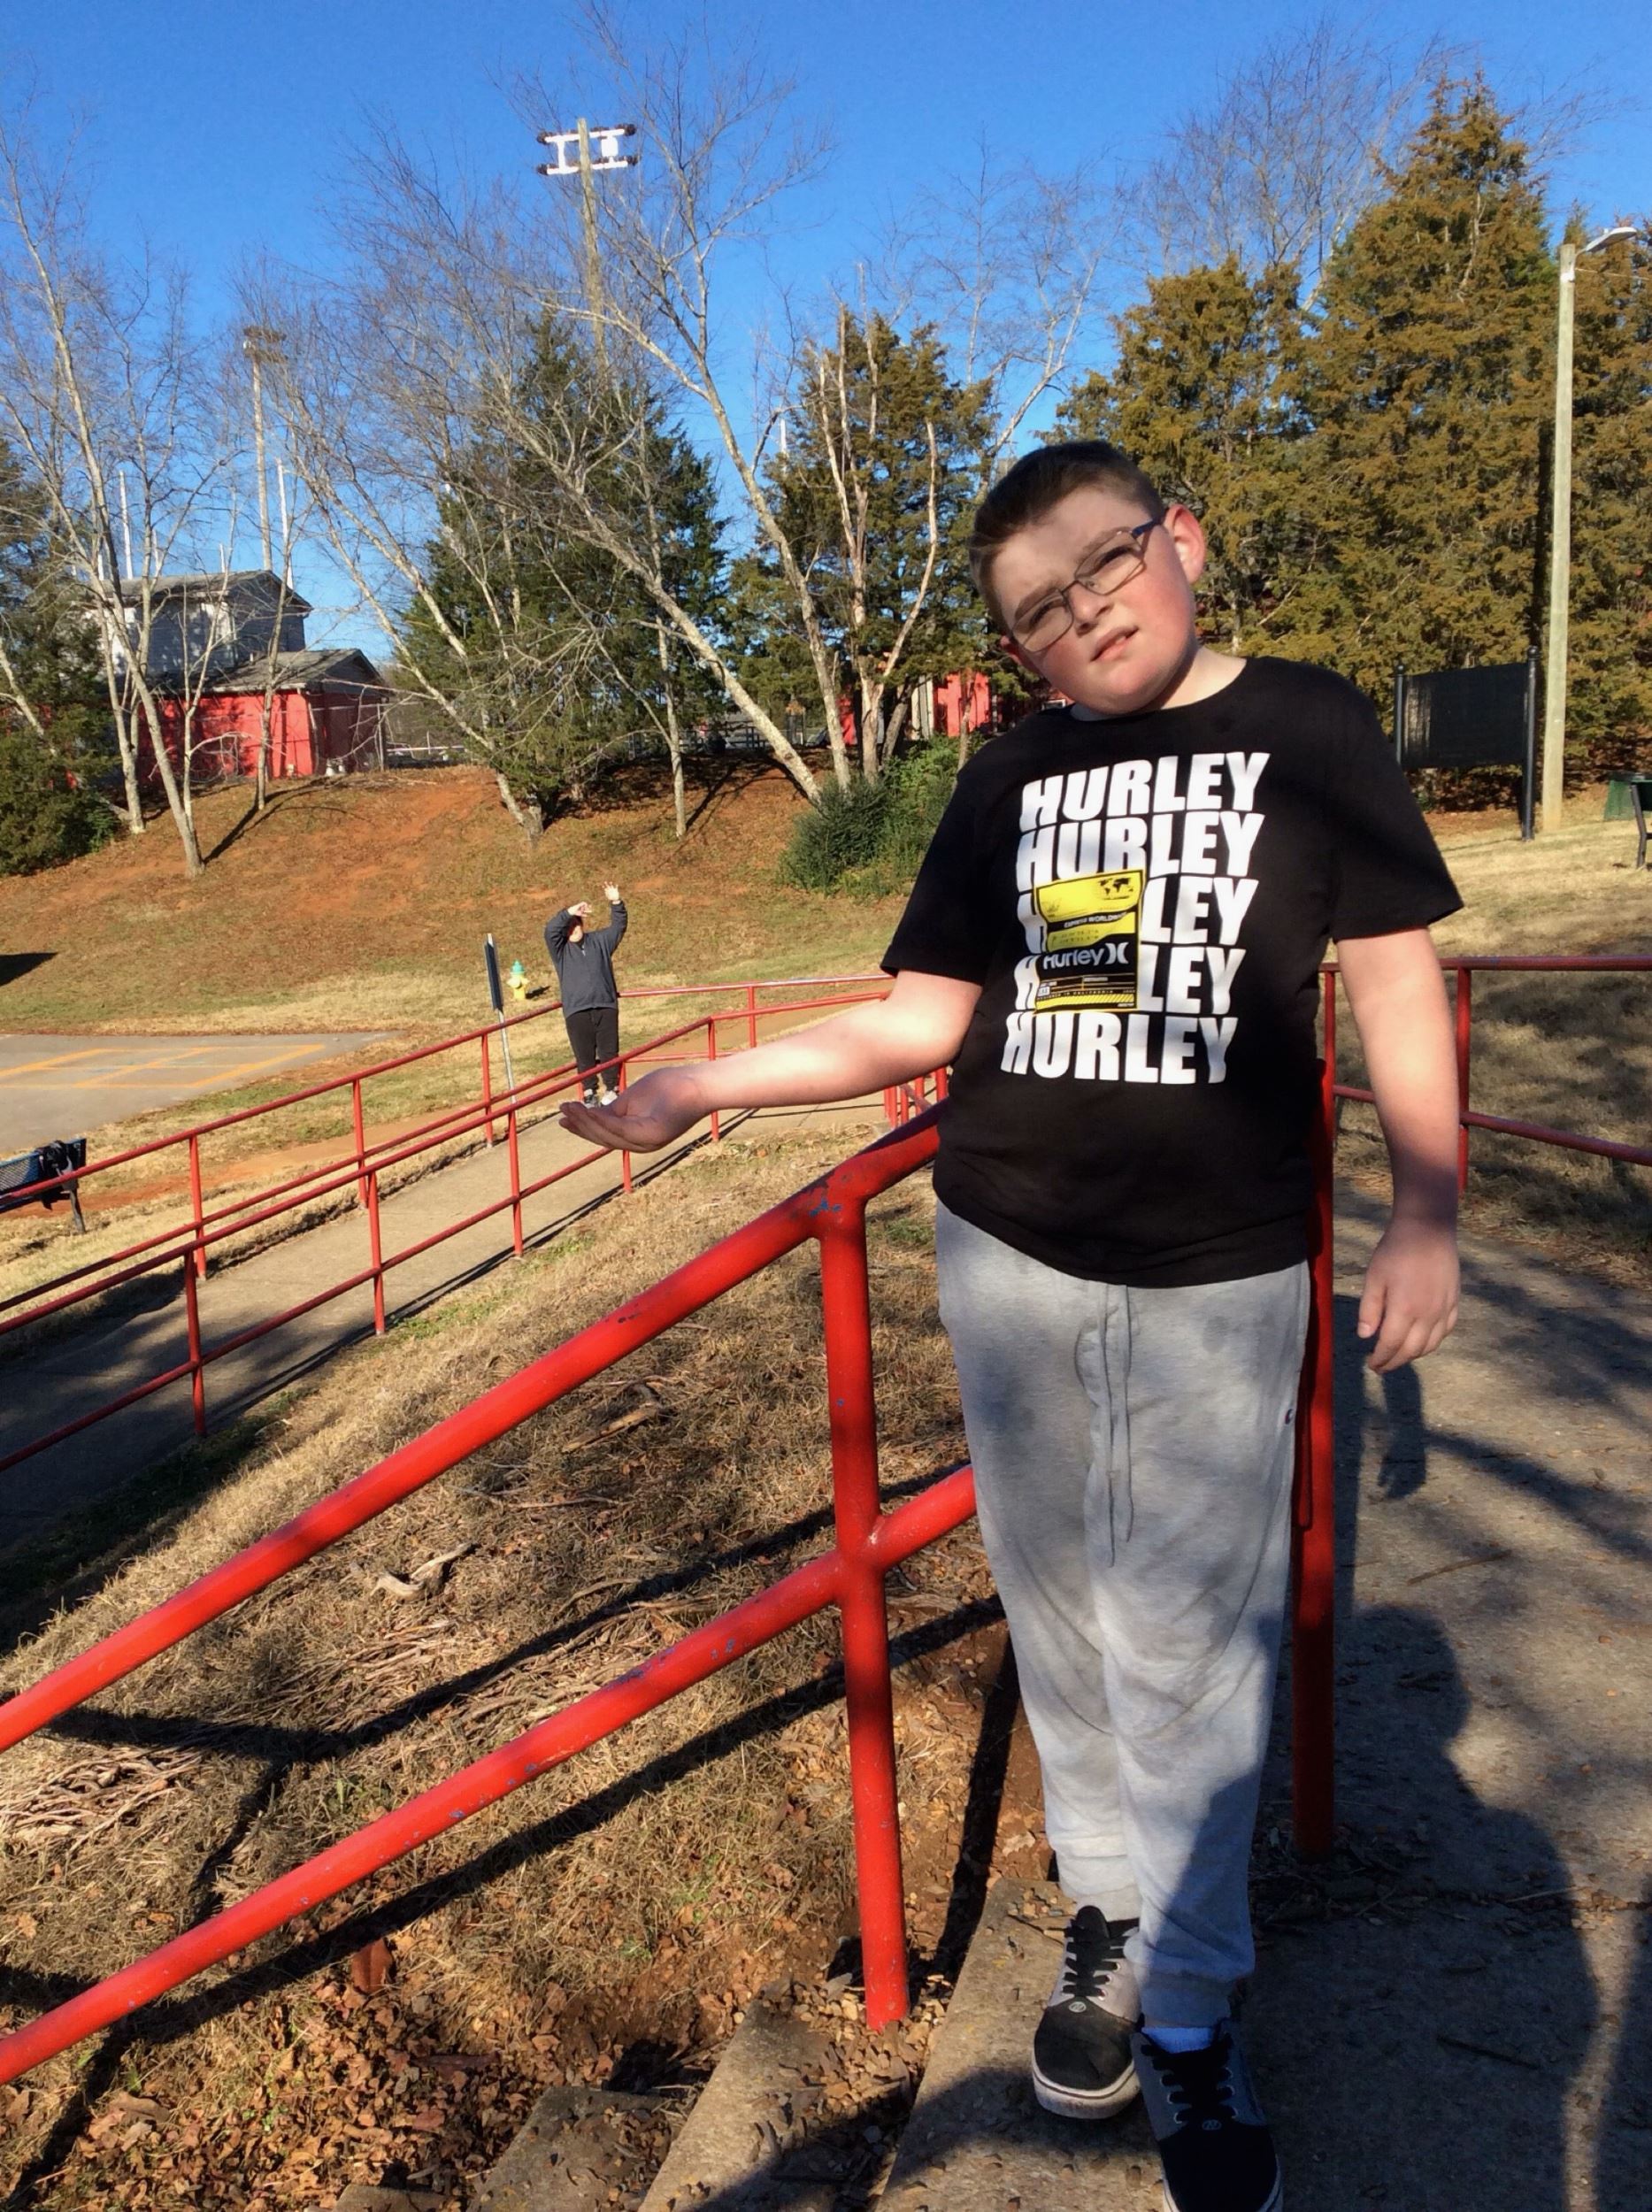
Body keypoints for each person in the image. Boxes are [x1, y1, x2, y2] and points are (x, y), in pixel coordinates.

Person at [560, 442, 1463, 2212]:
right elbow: (917, 1022)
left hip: (1217, 1272)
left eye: (1105, 565)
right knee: (1063, 1619)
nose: (1084, 615)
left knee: (1188, 1646)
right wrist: (696, 1085)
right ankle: (1106, 1913)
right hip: (1005, 1253)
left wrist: (1425, 1208)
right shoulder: (1008, 775)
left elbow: (1395, 982)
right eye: (1038, 611)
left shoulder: (1309, 724)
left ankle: (1189, 2011)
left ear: (1179, 537)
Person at [545, 883, 626, 1106]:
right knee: (584, 1055)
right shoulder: (560, 950)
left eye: (575, 925)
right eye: (568, 928)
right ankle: (589, 1092)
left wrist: (616, 902)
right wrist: (569, 912)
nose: (573, 930)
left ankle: (612, 1089)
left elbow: (619, 927)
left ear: (582, 925)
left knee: (609, 1051)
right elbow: (550, 930)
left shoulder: (600, 941)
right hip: (577, 1010)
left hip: (605, 1005)